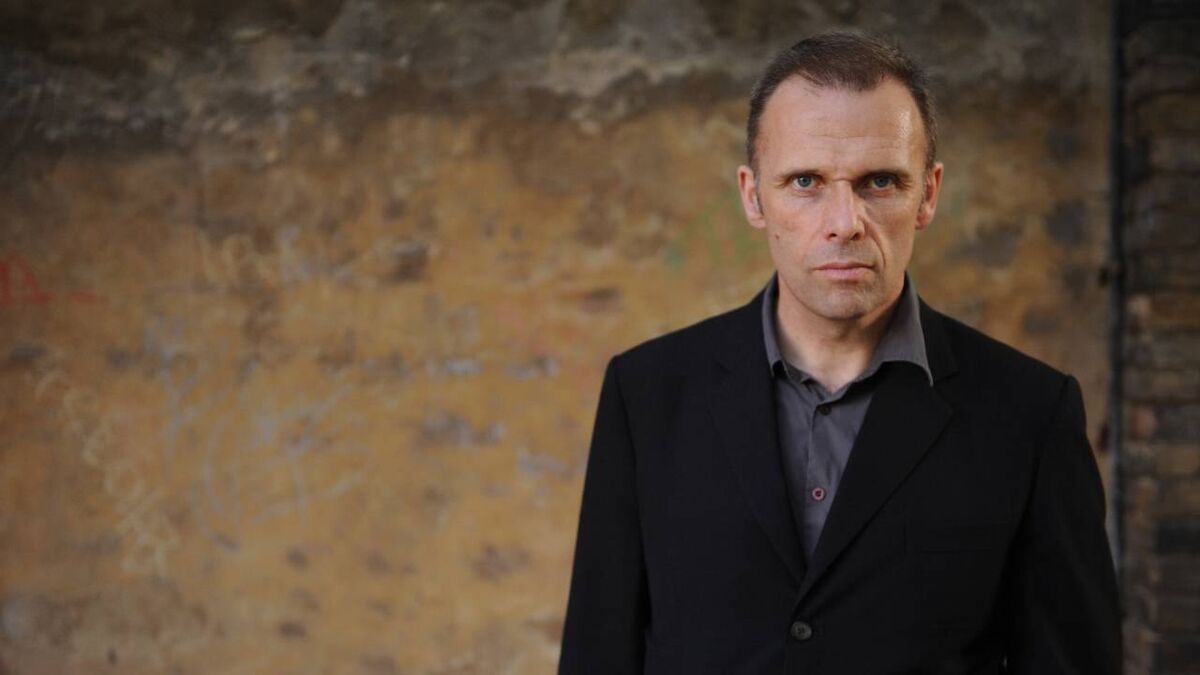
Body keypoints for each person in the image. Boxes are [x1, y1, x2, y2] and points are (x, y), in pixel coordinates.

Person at [557, 32, 1121, 674]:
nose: (845, 221)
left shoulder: (1032, 413)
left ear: (928, 194)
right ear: (753, 196)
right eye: (806, 181)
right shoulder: (646, 394)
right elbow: (598, 654)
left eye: (880, 181)